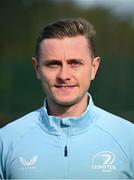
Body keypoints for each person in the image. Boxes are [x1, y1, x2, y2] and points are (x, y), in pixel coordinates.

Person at [0, 18, 134, 179]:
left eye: (74, 63)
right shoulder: (6, 140)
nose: (64, 76)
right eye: (53, 64)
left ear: (94, 67)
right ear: (37, 68)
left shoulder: (128, 138)